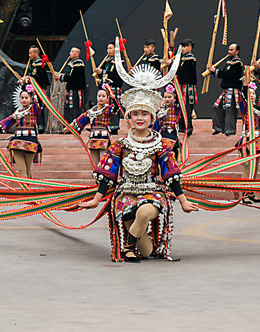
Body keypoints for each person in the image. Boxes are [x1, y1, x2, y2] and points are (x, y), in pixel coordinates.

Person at [78, 40, 197, 263]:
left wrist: (182, 200)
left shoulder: (162, 145)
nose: (140, 118)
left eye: (145, 114)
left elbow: (171, 174)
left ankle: (127, 247)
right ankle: (136, 243)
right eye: (135, 114)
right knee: (147, 251)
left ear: (152, 118)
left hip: (152, 192)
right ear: (129, 118)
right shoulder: (120, 145)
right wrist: (96, 200)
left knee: (144, 212)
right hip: (125, 194)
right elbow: (109, 174)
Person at [0, 81, 43, 178]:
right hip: (17, 141)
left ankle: (28, 190)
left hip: (30, 140)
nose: (24, 100)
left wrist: (33, 85)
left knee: (27, 169)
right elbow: (7, 122)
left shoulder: (34, 109)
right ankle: (26, 191)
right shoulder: (17, 113)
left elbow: (40, 101)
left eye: (26, 98)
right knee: (21, 169)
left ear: (31, 99)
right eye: (22, 98)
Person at [236, 82, 260, 204]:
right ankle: (244, 193)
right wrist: (244, 86)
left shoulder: (259, 113)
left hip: (257, 141)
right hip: (247, 141)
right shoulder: (244, 109)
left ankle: (251, 192)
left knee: (255, 168)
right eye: (249, 93)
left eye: (253, 93)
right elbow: (242, 99)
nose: (252, 95)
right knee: (247, 168)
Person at [70, 88, 118, 166]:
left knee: (103, 164)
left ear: (107, 98)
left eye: (103, 96)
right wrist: (68, 127)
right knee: (95, 165)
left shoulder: (108, 109)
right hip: (93, 138)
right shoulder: (92, 111)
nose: (101, 98)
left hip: (104, 138)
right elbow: (81, 119)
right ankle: (96, 178)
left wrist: (113, 97)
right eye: (99, 96)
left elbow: (116, 107)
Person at [208, 43, 245, 136]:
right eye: (229, 50)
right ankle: (219, 127)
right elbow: (224, 74)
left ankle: (230, 130)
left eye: (232, 50)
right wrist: (213, 71)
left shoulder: (237, 64)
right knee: (217, 107)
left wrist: (215, 70)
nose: (229, 52)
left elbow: (227, 75)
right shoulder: (229, 63)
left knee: (230, 110)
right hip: (226, 90)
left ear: (237, 51)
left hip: (233, 91)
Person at [93, 41, 124, 134]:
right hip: (106, 89)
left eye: (111, 48)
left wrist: (102, 71)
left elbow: (116, 76)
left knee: (113, 108)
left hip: (114, 88)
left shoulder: (119, 62)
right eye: (108, 48)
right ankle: (104, 125)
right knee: (104, 108)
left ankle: (114, 128)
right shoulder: (106, 62)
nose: (109, 50)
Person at [53, 47, 87, 124]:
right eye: (70, 51)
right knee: (68, 108)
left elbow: (73, 78)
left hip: (76, 89)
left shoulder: (79, 64)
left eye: (73, 51)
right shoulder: (72, 63)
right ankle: (68, 126)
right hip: (70, 89)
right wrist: (61, 76)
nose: (70, 53)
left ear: (77, 54)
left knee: (75, 108)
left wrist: (61, 77)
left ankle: (75, 126)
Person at [26, 45, 51, 133]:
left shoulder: (40, 63)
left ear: (36, 53)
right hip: (34, 88)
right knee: (33, 106)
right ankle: (35, 124)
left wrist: (29, 78)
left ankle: (40, 125)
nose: (29, 55)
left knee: (39, 106)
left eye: (30, 53)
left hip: (39, 88)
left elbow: (38, 77)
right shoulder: (33, 63)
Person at [154, 84, 182, 161]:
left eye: (169, 97)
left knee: (174, 151)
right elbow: (157, 124)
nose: (167, 99)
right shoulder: (160, 110)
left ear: (174, 98)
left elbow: (181, 101)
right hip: (163, 132)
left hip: (173, 132)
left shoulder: (177, 108)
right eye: (165, 97)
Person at [175, 38, 197, 136]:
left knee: (187, 108)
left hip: (188, 87)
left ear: (190, 47)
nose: (183, 48)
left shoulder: (190, 59)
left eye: (185, 46)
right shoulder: (182, 58)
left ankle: (188, 127)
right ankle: (182, 126)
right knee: (180, 107)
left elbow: (182, 72)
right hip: (181, 86)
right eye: (182, 46)